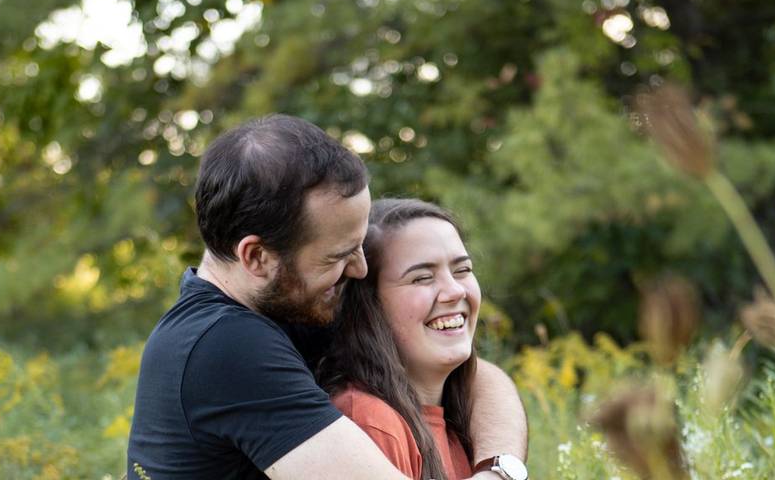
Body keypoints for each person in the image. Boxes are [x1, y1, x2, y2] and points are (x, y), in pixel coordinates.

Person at [127, 115, 527, 479]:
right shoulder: (223, 344)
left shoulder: (287, 306)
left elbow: (478, 376)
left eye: (359, 246)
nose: (360, 270)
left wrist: (498, 468)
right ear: (256, 256)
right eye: (338, 255)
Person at [319, 199, 527, 480]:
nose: (454, 291)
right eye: (422, 278)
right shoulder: (370, 422)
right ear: (368, 304)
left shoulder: (464, 420)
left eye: (462, 270)